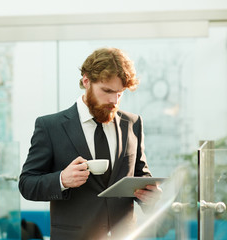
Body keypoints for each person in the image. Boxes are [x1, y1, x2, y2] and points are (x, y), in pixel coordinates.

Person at [19, 47, 162, 240]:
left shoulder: (133, 124)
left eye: (120, 93)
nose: (114, 100)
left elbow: (140, 176)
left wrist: (150, 197)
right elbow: (27, 184)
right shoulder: (50, 126)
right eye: (107, 91)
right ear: (86, 81)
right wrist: (61, 180)